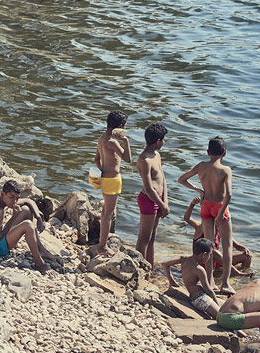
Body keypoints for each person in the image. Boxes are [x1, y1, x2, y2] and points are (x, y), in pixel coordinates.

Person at [178, 137, 235, 294]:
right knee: (227, 246)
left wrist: (199, 190)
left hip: (206, 206)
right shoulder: (225, 170)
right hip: (219, 207)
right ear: (224, 153)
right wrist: (222, 212)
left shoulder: (201, 166)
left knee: (209, 245)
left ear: (208, 152)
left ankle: (209, 281)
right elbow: (229, 194)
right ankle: (225, 283)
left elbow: (181, 179)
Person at [0, 180, 55, 274]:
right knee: (28, 225)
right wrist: (14, 217)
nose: (15, 201)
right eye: (12, 197)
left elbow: (29, 201)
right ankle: (39, 263)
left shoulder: (4, 202)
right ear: (2, 193)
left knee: (26, 210)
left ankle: (40, 249)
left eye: (17, 198)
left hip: (0, 240)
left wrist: (39, 218)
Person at [91, 110, 131, 256]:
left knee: (105, 212)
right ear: (120, 127)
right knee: (108, 213)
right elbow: (128, 159)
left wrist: (102, 171)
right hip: (113, 180)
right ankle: (102, 246)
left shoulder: (102, 138)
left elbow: (96, 159)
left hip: (104, 178)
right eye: (125, 127)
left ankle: (102, 240)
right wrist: (125, 141)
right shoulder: (113, 142)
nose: (125, 129)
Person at [183, 196, 252, 276]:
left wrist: (246, 250)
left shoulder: (220, 230)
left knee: (246, 257)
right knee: (214, 252)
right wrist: (192, 204)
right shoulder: (200, 227)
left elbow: (236, 245)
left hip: (217, 261)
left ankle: (240, 277)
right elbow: (186, 218)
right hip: (203, 261)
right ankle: (237, 273)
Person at [161, 238, 224, 319]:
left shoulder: (183, 259)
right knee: (221, 317)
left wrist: (171, 281)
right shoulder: (199, 269)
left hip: (195, 297)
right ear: (204, 255)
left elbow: (164, 264)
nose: (210, 257)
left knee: (228, 305)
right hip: (201, 299)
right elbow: (209, 290)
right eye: (209, 254)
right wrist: (217, 305)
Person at [135, 122, 169, 266]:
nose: (164, 142)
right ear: (158, 141)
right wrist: (162, 204)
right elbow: (149, 188)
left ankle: (150, 266)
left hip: (158, 199)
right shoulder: (145, 160)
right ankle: (139, 266)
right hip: (148, 200)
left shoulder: (157, 155)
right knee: (144, 237)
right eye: (164, 139)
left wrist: (165, 201)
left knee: (152, 236)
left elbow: (163, 179)